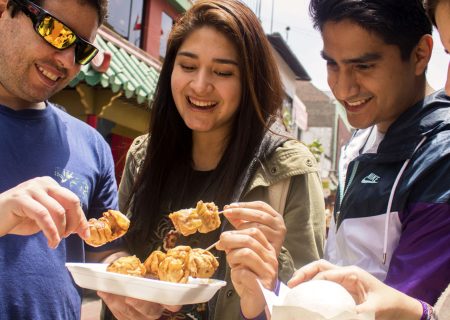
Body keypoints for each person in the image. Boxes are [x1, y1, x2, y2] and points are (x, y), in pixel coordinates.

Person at [98, 1, 326, 319]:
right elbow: (116, 250)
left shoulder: (288, 171)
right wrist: (118, 285)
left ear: (249, 81)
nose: (201, 85)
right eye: (188, 66)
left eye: (222, 72)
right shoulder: (144, 156)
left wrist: (269, 285)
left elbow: (309, 302)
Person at [307, 0, 450, 307]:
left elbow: (407, 305)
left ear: (420, 54)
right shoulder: (358, 142)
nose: (343, 89)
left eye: (364, 66)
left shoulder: (442, 156)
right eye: (333, 64)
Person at [0, 0, 123, 319]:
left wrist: (133, 280)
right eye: (54, 31)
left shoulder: (92, 145)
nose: (67, 60)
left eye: (82, 50)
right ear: (4, 10)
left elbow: (103, 253)